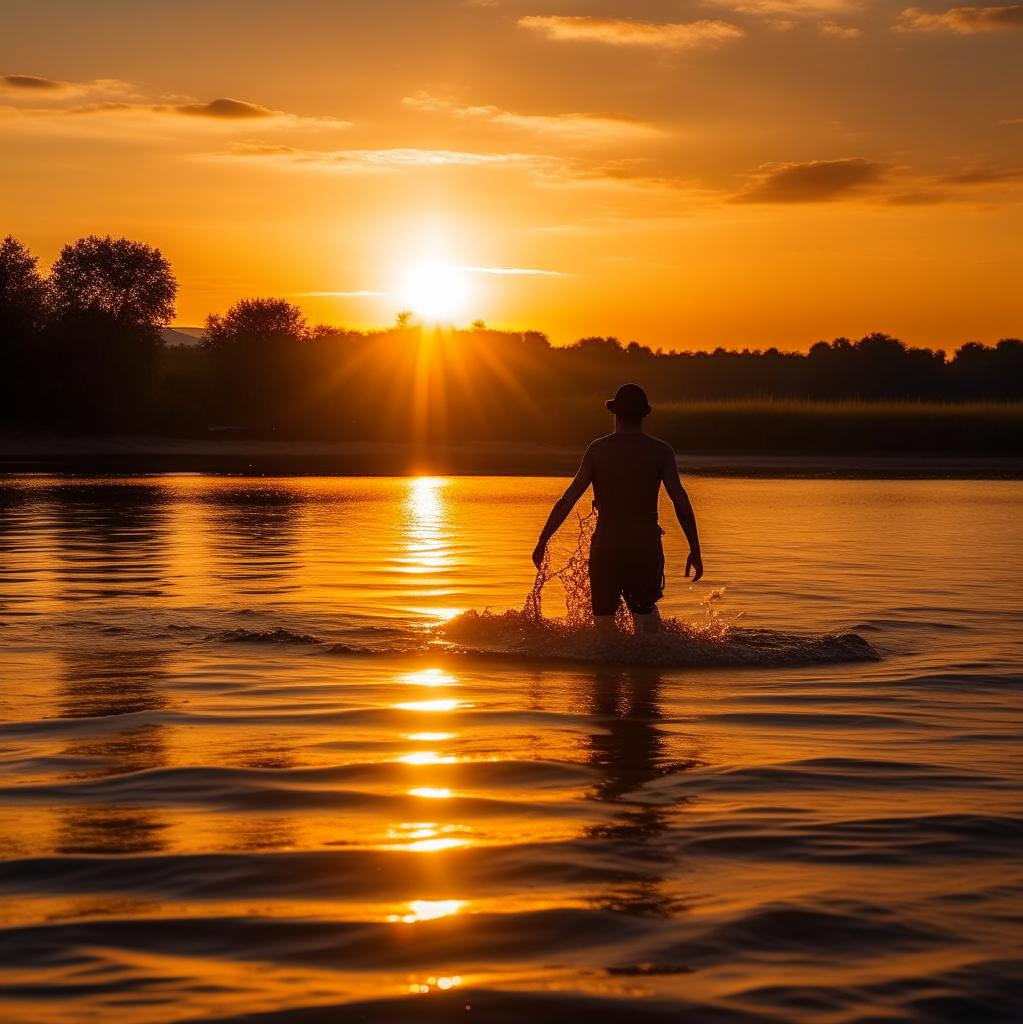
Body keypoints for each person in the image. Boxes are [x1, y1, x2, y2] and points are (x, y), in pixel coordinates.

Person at [531, 383, 703, 636]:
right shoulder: (661, 451)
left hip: (606, 548)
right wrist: (695, 548)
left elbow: (568, 499)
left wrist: (543, 539)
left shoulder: (598, 450)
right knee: (646, 616)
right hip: (644, 547)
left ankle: (605, 673)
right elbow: (680, 502)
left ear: (615, 414)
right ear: (644, 414)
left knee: (603, 622)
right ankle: (650, 670)